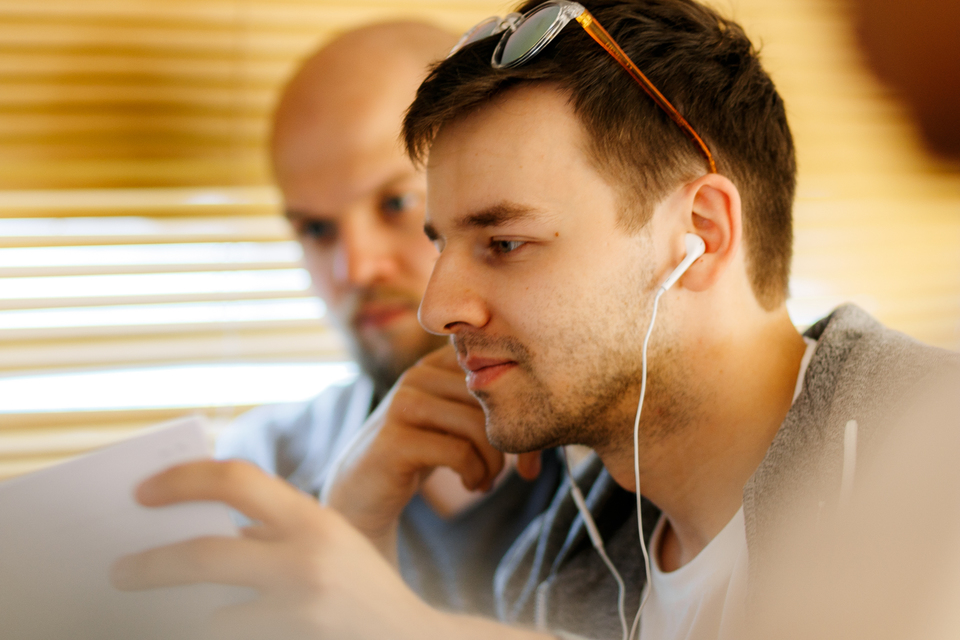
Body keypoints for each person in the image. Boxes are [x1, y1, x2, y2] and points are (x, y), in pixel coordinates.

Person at [112, 1, 959, 639]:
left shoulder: (936, 453)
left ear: (699, 237)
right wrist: (356, 534)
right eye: (442, 242)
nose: (437, 307)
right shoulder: (559, 566)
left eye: (505, 243)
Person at [214, 21, 562, 616]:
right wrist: (347, 530)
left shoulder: (640, 466)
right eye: (316, 229)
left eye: (396, 203)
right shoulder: (260, 472)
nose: (355, 267)